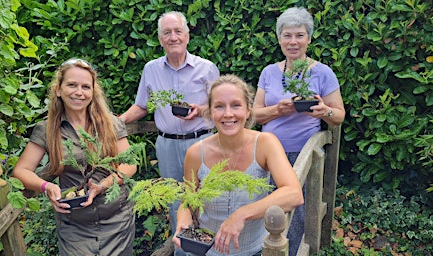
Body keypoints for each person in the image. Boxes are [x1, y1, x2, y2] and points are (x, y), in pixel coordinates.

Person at [12, 58, 137, 256]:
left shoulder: (110, 123)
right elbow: (20, 171)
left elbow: (130, 165)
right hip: (75, 224)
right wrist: (47, 187)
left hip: (117, 219)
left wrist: (103, 185)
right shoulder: (47, 129)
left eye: (86, 87)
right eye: (72, 85)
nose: (79, 92)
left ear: (93, 92)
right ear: (58, 90)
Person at [119, 11, 220, 255]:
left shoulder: (207, 68)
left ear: (187, 36)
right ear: (160, 38)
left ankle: (211, 250)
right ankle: (182, 250)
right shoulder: (151, 69)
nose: (173, 37)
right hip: (167, 146)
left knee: (206, 199)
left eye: (177, 31)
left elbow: (220, 105)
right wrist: (115, 122)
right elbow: (142, 106)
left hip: (202, 142)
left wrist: (201, 109)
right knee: (175, 199)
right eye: (167, 32)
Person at [172, 74, 304, 255]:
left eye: (236, 105)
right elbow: (188, 201)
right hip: (208, 251)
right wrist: (183, 222)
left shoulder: (265, 143)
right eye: (219, 106)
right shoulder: (196, 153)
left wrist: (242, 214)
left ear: (249, 110)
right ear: (210, 112)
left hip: (255, 250)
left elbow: (294, 194)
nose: (228, 114)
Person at [253, 7, 346, 256]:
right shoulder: (268, 72)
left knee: (294, 214)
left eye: (299, 35)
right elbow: (255, 115)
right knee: (262, 206)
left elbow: (338, 116)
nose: (293, 41)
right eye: (287, 35)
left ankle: (291, 252)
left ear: (309, 38)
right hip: (265, 155)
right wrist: (278, 110)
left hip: (301, 155)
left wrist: (324, 111)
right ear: (279, 38)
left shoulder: (323, 72)